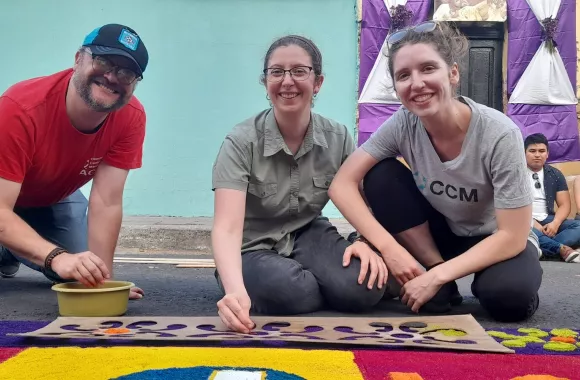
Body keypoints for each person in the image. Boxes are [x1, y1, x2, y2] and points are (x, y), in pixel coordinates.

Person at [328, 21, 543, 322]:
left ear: (453, 73)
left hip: (496, 237)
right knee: (380, 173)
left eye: (428, 69)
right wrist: (390, 250)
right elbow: (342, 184)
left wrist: (435, 277)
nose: (416, 84)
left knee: (508, 297)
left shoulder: (499, 133)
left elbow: (513, 235)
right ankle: (440, 280)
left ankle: (446, 277)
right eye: (404, 75)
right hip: (441, 235)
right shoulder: (403, 123)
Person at [211, 35, 388, 333]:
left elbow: (361, 200)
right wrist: (235, 290)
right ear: (265, 81)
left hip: (309, 232)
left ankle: (325, 281)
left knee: (363, 288)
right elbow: (227, 227)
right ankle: (304, 284)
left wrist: (363, 242)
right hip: (252, 246)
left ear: (317, 82)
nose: (287, 81)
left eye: (299, 71)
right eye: (276, 72)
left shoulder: (338, 137)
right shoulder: (241, 141)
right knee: (292, 292)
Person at [0, 23, 149, 299]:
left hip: (51, 198)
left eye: (126, 72)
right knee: (61, 259)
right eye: (103, 61)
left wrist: (102, 281)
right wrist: (55, 256)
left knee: (80, 269)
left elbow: (106, 201)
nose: (112, 77)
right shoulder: (20, 108)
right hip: (4, 197)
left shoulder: (131, 117)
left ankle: (9, 247)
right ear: (78, 58)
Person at [524, 133, 580, 263]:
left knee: (578, 226)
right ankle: (561, 249)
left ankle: (541, 247)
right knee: (518, 228)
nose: (537, 155)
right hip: (523, 219)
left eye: (541, 151)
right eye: (532, 151)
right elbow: (512, 205)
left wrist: (555, 224)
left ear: (547, 154)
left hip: (548, 219)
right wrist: (532, 223)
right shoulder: (515, 173)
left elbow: (565, 205)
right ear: (524, 153)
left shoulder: (555, 174)